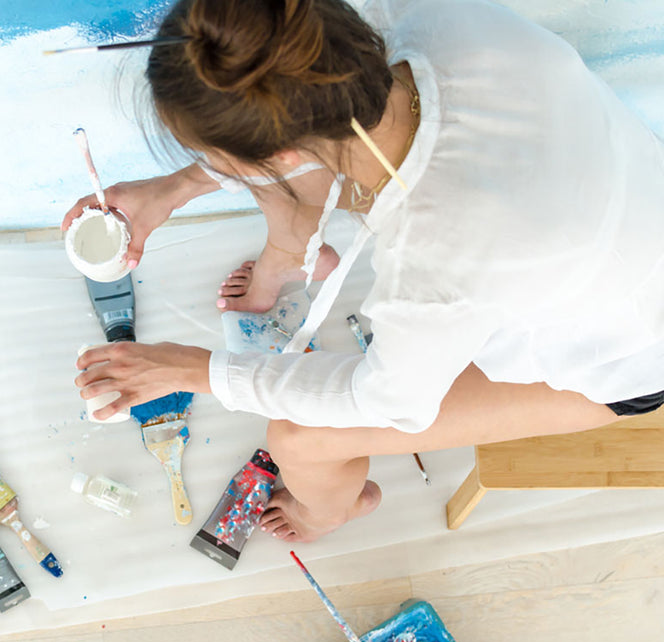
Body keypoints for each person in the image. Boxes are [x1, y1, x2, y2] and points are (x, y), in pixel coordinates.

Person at [65, 0, 664, 543]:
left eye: (218, 159)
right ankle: (289, 253)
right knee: (309, 180)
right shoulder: (443, 22)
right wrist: (169, 191)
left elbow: (390, 402)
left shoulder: (435, 255)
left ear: (280, 154)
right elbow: (295, 124)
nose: (213, 168)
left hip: (631, 357)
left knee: (299, 438)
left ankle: (330, 514)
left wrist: (198, 369)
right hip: (610, 225)